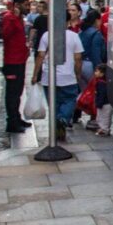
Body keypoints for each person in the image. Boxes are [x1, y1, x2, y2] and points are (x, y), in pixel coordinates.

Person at [32, 12, 84, 141]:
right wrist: (78, 74)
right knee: (69, 100)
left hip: (48, 76)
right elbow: (78, 58)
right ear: (68, 22)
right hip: (68, 76)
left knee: (53, 104)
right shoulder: (74, 36)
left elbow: (40, 56)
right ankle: (63, 119)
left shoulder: (47, 35)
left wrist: (35, 74)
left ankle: (58, 129)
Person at [1, 0, 33, 134]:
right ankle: (12, 122)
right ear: (17, 5)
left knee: (18, 92)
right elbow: (6, 34)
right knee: (12, 94)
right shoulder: (9, 17)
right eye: (26, 5)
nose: (29, 8)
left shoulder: (19, 18)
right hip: (12, 62)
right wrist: (14, 17)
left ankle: (16, 118)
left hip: (20, 60)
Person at [78, 8, 105, 130]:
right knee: (95, 94)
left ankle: (89, 117)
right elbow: (96, 54)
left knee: (86, 92)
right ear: (97, 20)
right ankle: (93, 119)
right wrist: (99, 70)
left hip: (80, 64)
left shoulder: (82, 32)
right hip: (90, 65)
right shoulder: (96, 34)